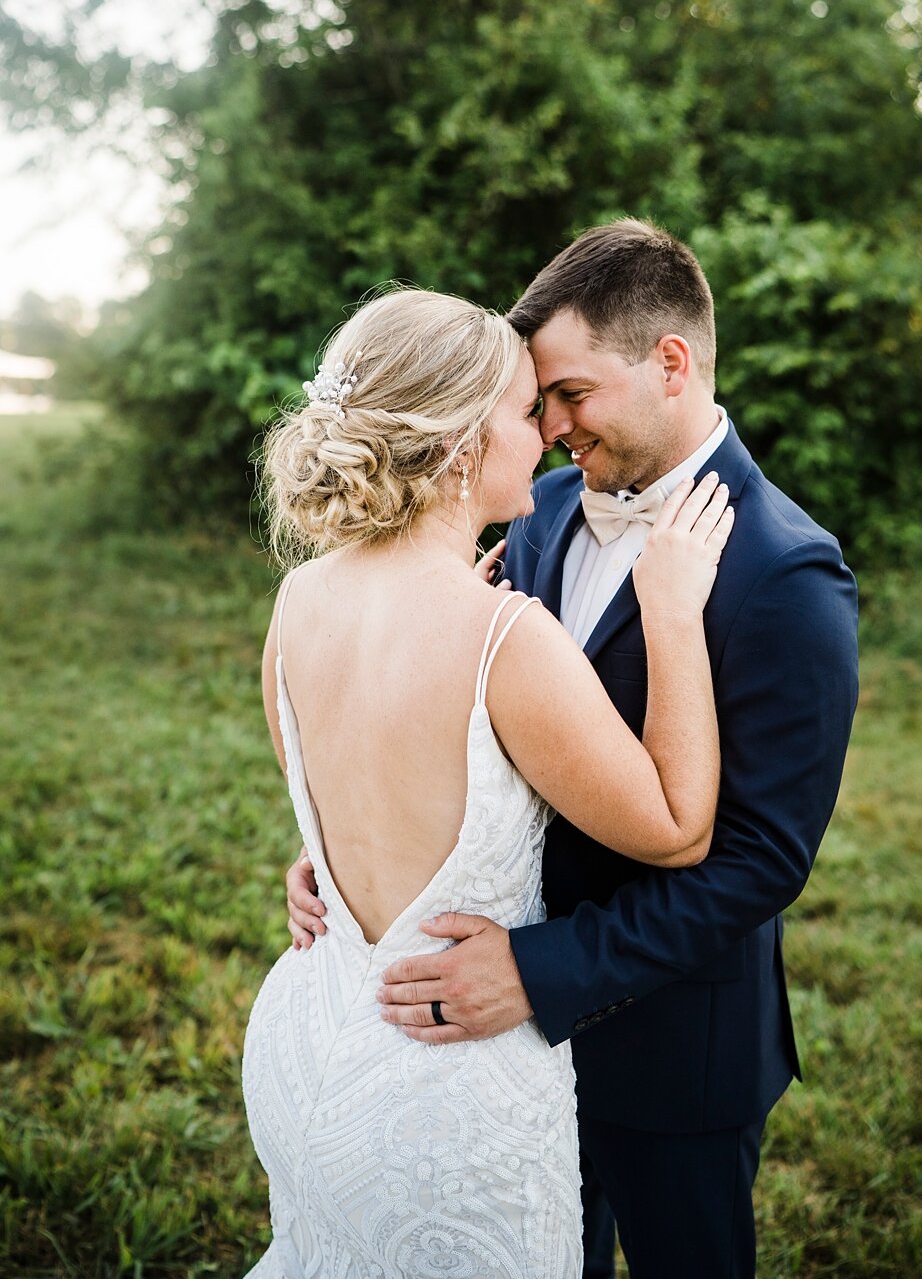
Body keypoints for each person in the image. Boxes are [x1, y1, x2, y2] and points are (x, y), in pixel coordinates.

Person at [287, 222, 860, 1279]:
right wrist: (361, 851)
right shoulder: (537, 509)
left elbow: (758, 863)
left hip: (668, 1051)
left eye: (571, 395)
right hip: (484, 1051)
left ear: (670, 364)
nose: (547, 429)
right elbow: (475, 725)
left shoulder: (785, 574)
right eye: (535, 403)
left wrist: (540, 972)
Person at [245, 285, 735, 1278]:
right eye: (523, 412)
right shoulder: (506, 638)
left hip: (307, 1044)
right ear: (464, 443)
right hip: (442, 1092)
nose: (546, 435)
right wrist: (672, 611)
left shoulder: (299, 599)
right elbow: (678, 829)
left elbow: (336, 788)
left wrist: (316, 869)